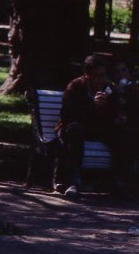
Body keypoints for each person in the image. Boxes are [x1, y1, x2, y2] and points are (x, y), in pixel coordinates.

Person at [55, 54, 137, 198]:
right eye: (96, 75)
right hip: (73, 126)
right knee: (75, 131)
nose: (100, 79)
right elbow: (69, 115)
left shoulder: (109, 88)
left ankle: (119, 180)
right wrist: (92, 106)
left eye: (103, 75)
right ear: (87, 74)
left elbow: (115, 112)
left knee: (123, 134)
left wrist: (117, 117)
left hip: (97, 127)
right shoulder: (75, 86)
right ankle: (72, 180)